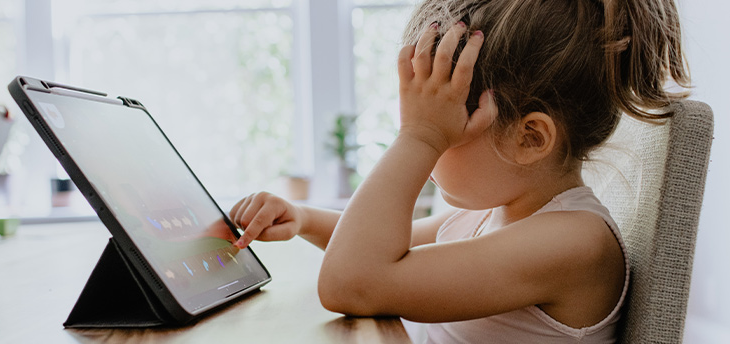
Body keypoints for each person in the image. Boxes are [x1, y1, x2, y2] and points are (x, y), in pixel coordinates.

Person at [229, 0, 688, 342]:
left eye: (444, 130)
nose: (424, 155)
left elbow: (352, 281)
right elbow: (389, 242)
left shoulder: (574, 243)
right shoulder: (495, 214)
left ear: (529, 139)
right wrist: (304, 217)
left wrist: (418, 139)